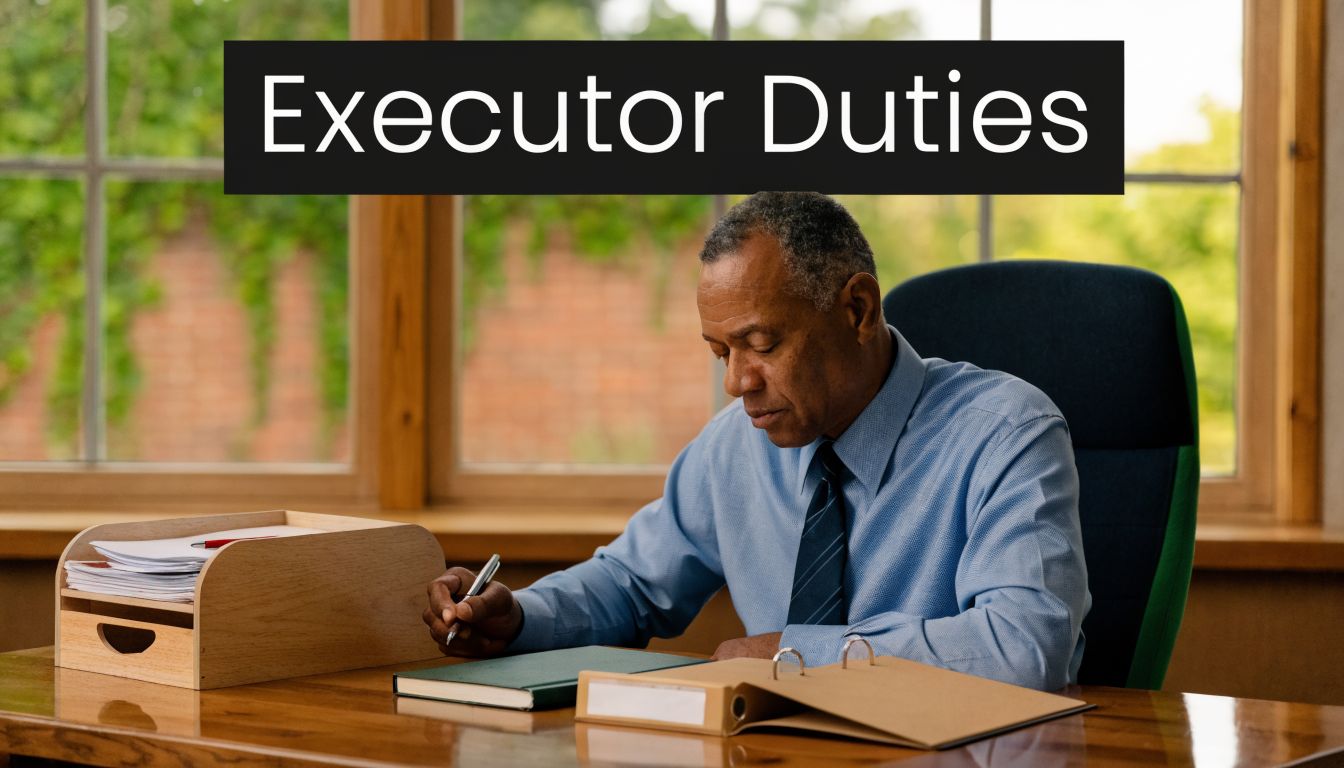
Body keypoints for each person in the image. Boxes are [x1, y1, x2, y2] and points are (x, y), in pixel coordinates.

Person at [423, 191, 1090, 690]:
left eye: (762, 344)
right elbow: (630, 584)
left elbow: (1027, 647)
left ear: (857, 310)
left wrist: (797, 655)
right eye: (721, 353)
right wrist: (520, 617)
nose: (737, 383)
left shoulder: (1005, 433)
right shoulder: (735, 447)